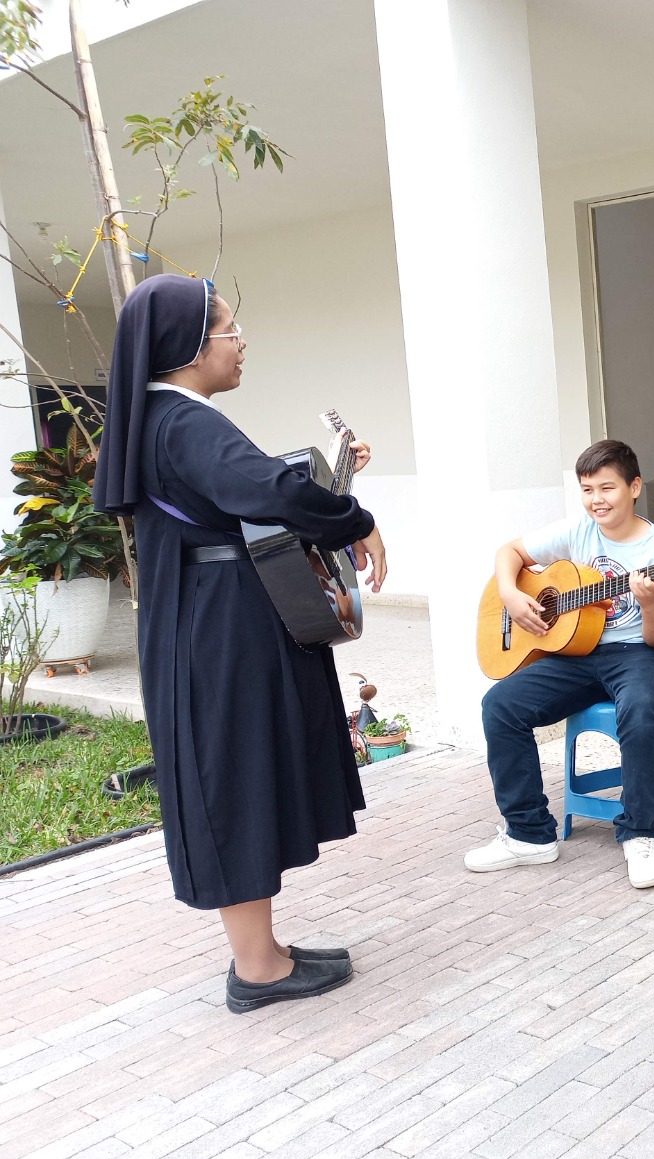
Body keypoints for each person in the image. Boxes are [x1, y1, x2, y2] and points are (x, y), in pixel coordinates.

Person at [92, 274, 387, 1014]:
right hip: (217, 626)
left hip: (210, 615)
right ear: (192, 347)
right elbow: (269, 492)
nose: (241, 342)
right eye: (230, 331)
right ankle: (257, 970)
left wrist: (330, 481)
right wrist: (355, 519)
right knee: (234, 774)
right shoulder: (183, 422)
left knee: (242, 768)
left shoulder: (168, 420)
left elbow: (247, 487)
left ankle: (266, 952)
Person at [468, 439, 654, 889]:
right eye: (587, 490)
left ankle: (641, 833)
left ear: (634, 487)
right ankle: (529, 835)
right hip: (583, 651)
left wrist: (649, 603)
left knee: (641, 712)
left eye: (607, 488)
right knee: (500, 706)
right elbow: (510, 552)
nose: (596, 500)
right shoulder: (578, 530)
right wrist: (511, 593)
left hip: (651, 653)